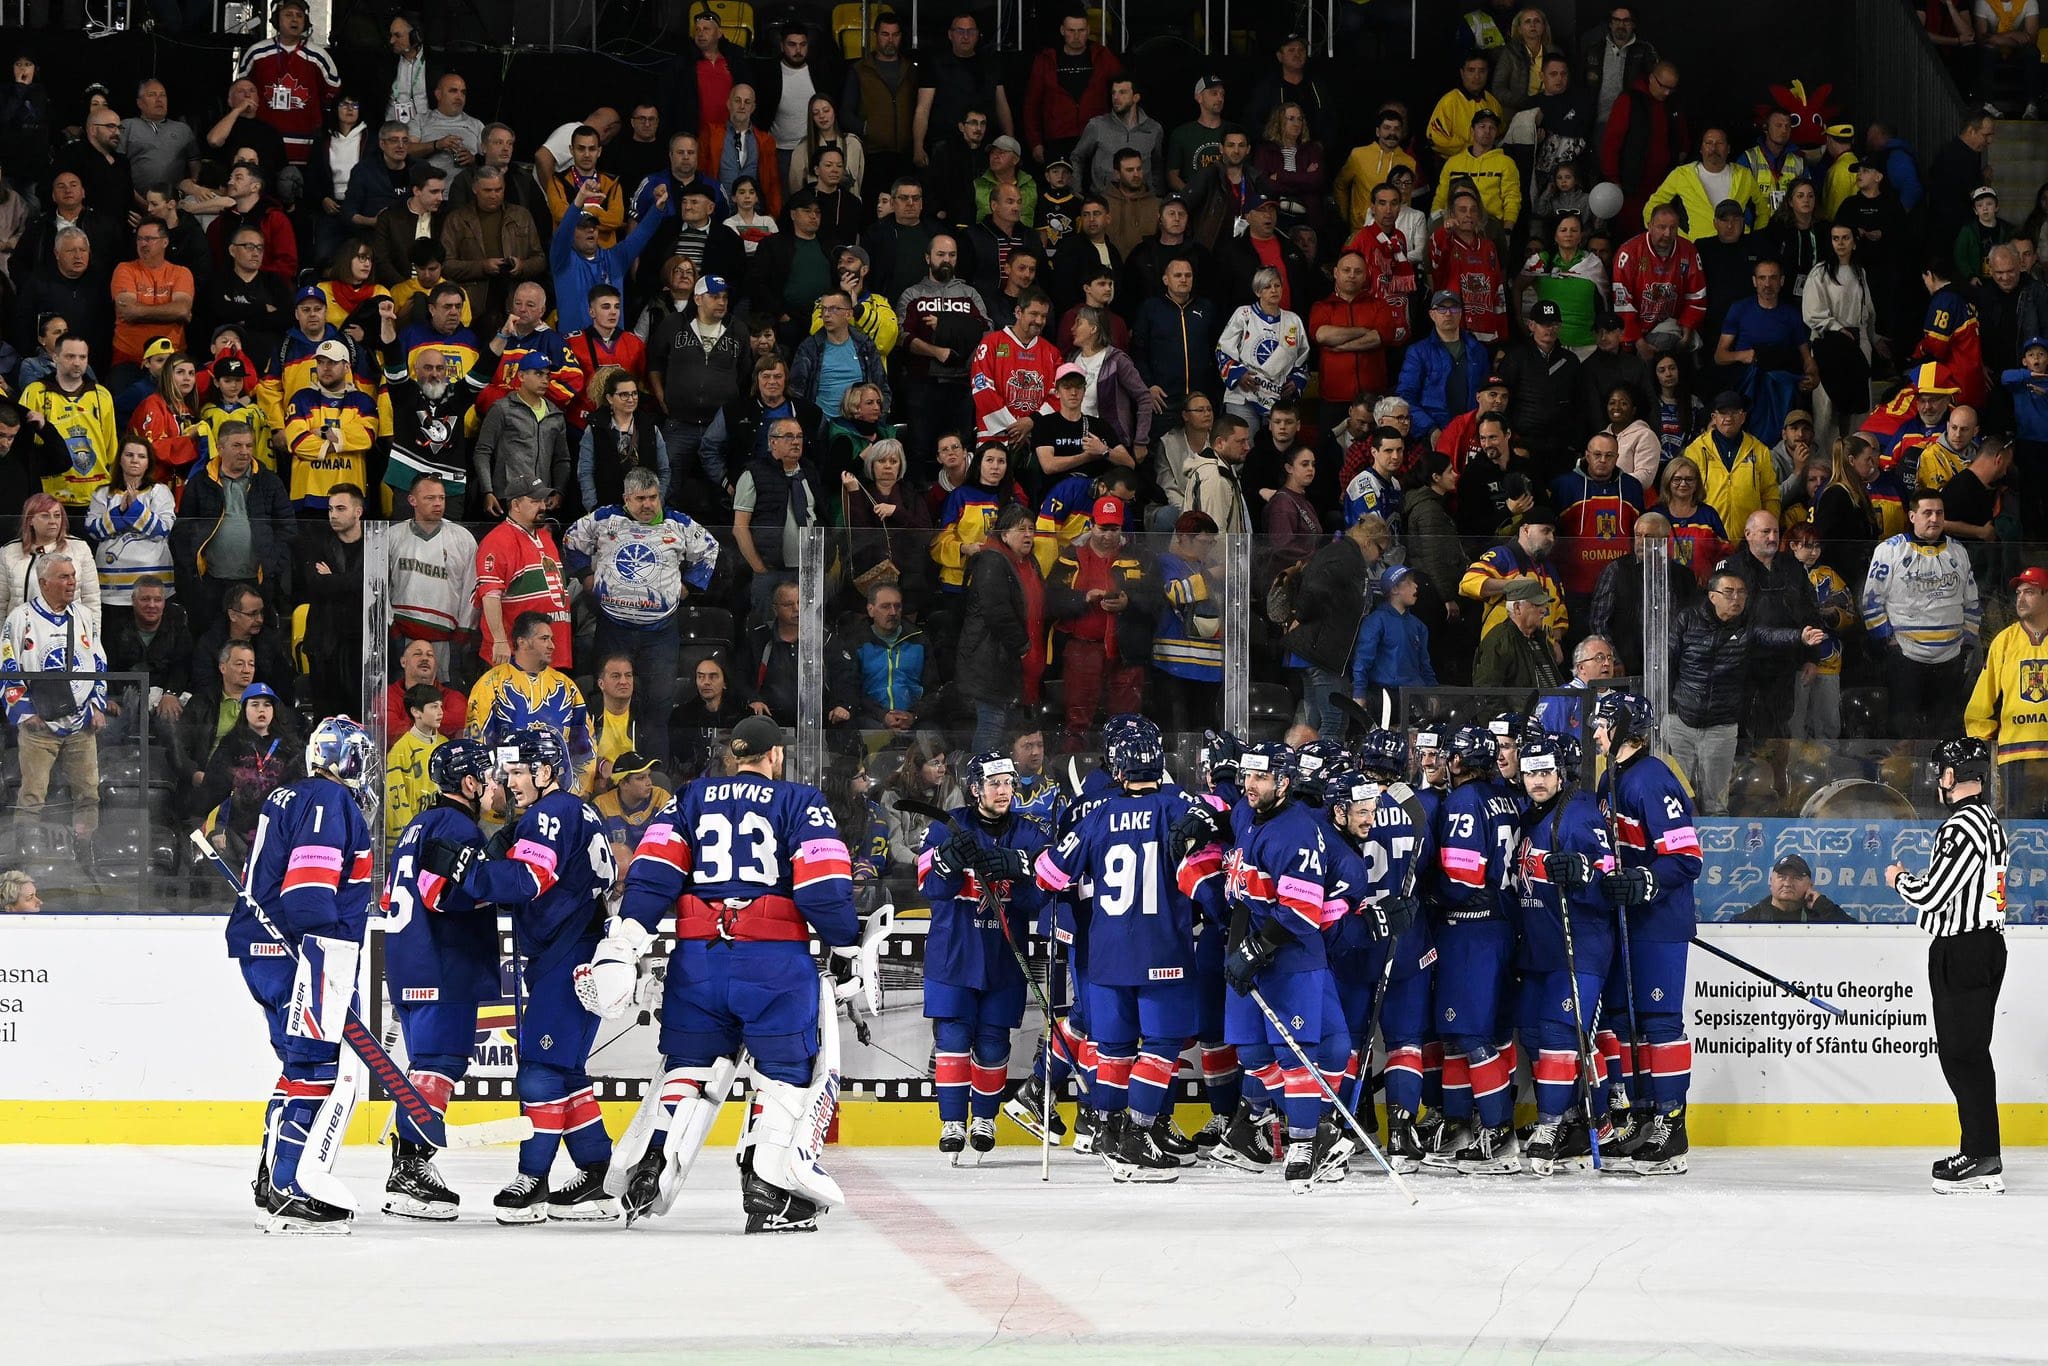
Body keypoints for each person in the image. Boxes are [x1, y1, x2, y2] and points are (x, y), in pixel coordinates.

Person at [610, 714, 859, 1230]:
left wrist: (626, 939)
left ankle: (651, 1163)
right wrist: (845, 943)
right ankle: (768, 1189)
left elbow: (652, 874)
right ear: (776, 756)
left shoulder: (688, 798)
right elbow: (822, 887)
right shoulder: (801, 801)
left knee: (689, 1065)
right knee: (784, 1071)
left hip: (698, 961)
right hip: (773, 963)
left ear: (733, 757)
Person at [414, 725, 619, 1221]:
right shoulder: (575, 810)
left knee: (540, 1070)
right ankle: (595, 1174)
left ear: (546, 771)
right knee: (565, 1070)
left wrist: (466, 869)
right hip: (574, 949)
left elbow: (527, 880)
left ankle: (534, 1179)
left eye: (520, 771)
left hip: (569, 954)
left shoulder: (551, 813)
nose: (509, 781)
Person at [1033, 716, 1216, 1177]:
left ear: (1116, 768)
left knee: (1112, 1047)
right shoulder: (1178, 805)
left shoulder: (1096, 814)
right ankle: (1138, 1135)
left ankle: (1109, 1132)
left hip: (1106, 954)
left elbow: (1049, 876)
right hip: (1163, 949)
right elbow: (1219, 822)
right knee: (1160, 1045)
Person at [226, 717, 376, 1231]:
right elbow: (308, 893)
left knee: (297, 1067)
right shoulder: (328, 799)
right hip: (305, 953)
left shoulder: (288, 796)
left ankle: (272, 1179)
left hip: (265, 951)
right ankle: (291, 1186)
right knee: (317, 1068)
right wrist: (328, 963)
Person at [908, 748, 1054, 1160]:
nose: (1004, 790)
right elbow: (928, 886)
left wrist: (1018, 868)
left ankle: (985, 1119)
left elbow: (1042, 894)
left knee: (992, 1043)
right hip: (953, 953)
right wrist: (946, 862)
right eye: (994, 783)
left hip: (1003, 957)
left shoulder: (1029, 835)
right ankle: (953, 1121)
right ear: (975, 789)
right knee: (953, 1037)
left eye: (1009, 783)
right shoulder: (946, 828)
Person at [377, 737, 501, 1218]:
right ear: (469, 783)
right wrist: (501, 886)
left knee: (428, 1065)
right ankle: (410, 1169)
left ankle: (409, 1164)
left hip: (410, 961)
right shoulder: (456, 825)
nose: (496, 785)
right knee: (439, 1064)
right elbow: (440, 893)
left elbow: (391, 896)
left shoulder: (418, 824)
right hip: (443, 964)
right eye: (488, 776)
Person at [1884, 736, 2009, 1193]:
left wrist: (1899, 879)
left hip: (1964, 949)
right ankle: (1981, 1151)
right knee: (1969, 1053)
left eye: (1941, 771)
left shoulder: (1961, 826)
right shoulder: (1990, 822)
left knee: (1962, 1054)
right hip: (1984, 944)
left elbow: (1932, 893)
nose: (1938, 779)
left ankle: (1981, 1156)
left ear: (1953, 775)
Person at [563, 469, 718, 764]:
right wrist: (585, 577)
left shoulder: (679, 524)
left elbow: (710, 548)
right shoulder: (604, 519)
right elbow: (571, 539)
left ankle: (655, 775)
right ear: (626, 499)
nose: (648, 504)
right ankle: (604, 769)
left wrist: (689, 587)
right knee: (609, 703)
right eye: (640, 499)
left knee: (658, 707)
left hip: (660, 633)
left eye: (653, 497)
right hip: (613, 629)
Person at [1666, 571, 1825, 812]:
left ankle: (1718, 834)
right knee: (1674, 795)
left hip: (1722, 723)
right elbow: (1667, 662)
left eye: (1741, 593)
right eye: (1729, 592)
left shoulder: (1747, 625)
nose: (1736, 598)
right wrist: (1667, 708)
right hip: (1682, 719)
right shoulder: (1687, 619)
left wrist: (1800, 637)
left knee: (1716, 800)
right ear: (1712, 596)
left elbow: (1770, 635)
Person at [0, 554, 108, 853]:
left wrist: (97, 705)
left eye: (73, 575)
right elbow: (7, 666)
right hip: (39, 725)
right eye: (64, 576)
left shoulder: (83, 615)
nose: (72, 582)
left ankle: (85, 851)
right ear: (44, 582)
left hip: (81, 723)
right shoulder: (20, 618)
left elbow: (98, 661)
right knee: (32, 796)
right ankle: (26, 853)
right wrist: (25, 713)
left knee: (88, 795)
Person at [1862, 491, 1981, 739]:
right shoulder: (1890, 550)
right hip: (1906, 656)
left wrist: (1967, 642)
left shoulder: (1958, 551)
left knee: (1946, 731)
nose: (1934, 519)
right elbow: (1872, 601)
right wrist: (1888, 641)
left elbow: (1971, 601)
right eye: (1927, 513)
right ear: (1912, 516)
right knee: (1903, 731)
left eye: (1939, 513)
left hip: (1950, 657)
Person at [466, 609, 595, 795]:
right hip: (507, 800)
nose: (552, 645)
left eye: (551, 639)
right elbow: (476, 742)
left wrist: (581, 791)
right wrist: (491, 790)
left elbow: (584, 743)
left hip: (559, 797)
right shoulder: (491, 684)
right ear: (522, 642)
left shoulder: (566, 686)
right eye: (544, 639)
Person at [474, 480, 571, 667]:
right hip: (515, 656)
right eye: (535, 501)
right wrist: (499, 641)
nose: (543, 506)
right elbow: (490, 596)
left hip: (552, 651)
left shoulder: (545, 536)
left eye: (543, 500)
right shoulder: (497, 540)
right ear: (516, 505)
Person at [1732, 853, 1851, 923]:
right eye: (1782, 877)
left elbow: (1854, 937)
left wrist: (1823, 906)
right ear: (1771, 882)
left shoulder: (1820, 916)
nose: (1788, 883)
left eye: (1796, 878)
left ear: (1810, 885)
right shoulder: (1750, 920)